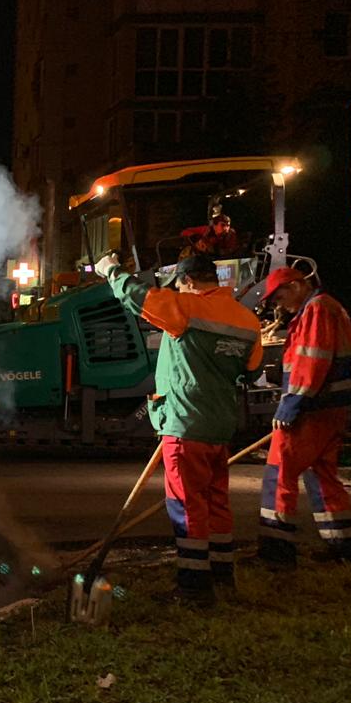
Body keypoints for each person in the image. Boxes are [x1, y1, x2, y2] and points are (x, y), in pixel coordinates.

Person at [97, 252, 263, 605]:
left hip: (186, 423)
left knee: (187, 505)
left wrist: (110, 270)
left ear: (187, 282)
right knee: (216, 502)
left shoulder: (187, 309)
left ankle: (193, 587)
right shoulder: (247, 320)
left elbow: (139, 298)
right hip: (220, 425)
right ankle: (222, 576)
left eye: (180, 286)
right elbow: (249, 372)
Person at [254, 267, 351, 567]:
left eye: (280, 296)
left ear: (298, 285)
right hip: (331, 408)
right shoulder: (331, 307)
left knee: (280, 473)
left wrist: (291, 404)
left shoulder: (315, 310)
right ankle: (346, 548)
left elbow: (311, 360)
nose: (279, 305)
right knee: (323, 475)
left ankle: (277, 552)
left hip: (311, 410)